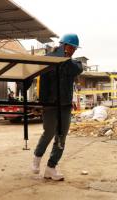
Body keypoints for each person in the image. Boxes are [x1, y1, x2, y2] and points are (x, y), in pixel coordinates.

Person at [32, 33, 83, 181]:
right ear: (64, 45)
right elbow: (43, 83)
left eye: (74, 49)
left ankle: (51, 167)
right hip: (50, 104)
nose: (73, 51)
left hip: (65, 105)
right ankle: (37, 157)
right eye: (72, 48)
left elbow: (77, 69)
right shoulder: (49, 60)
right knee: (48, 132)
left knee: (61, 136)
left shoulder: (71, 64)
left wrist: (64, 57)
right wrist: (43, 103)